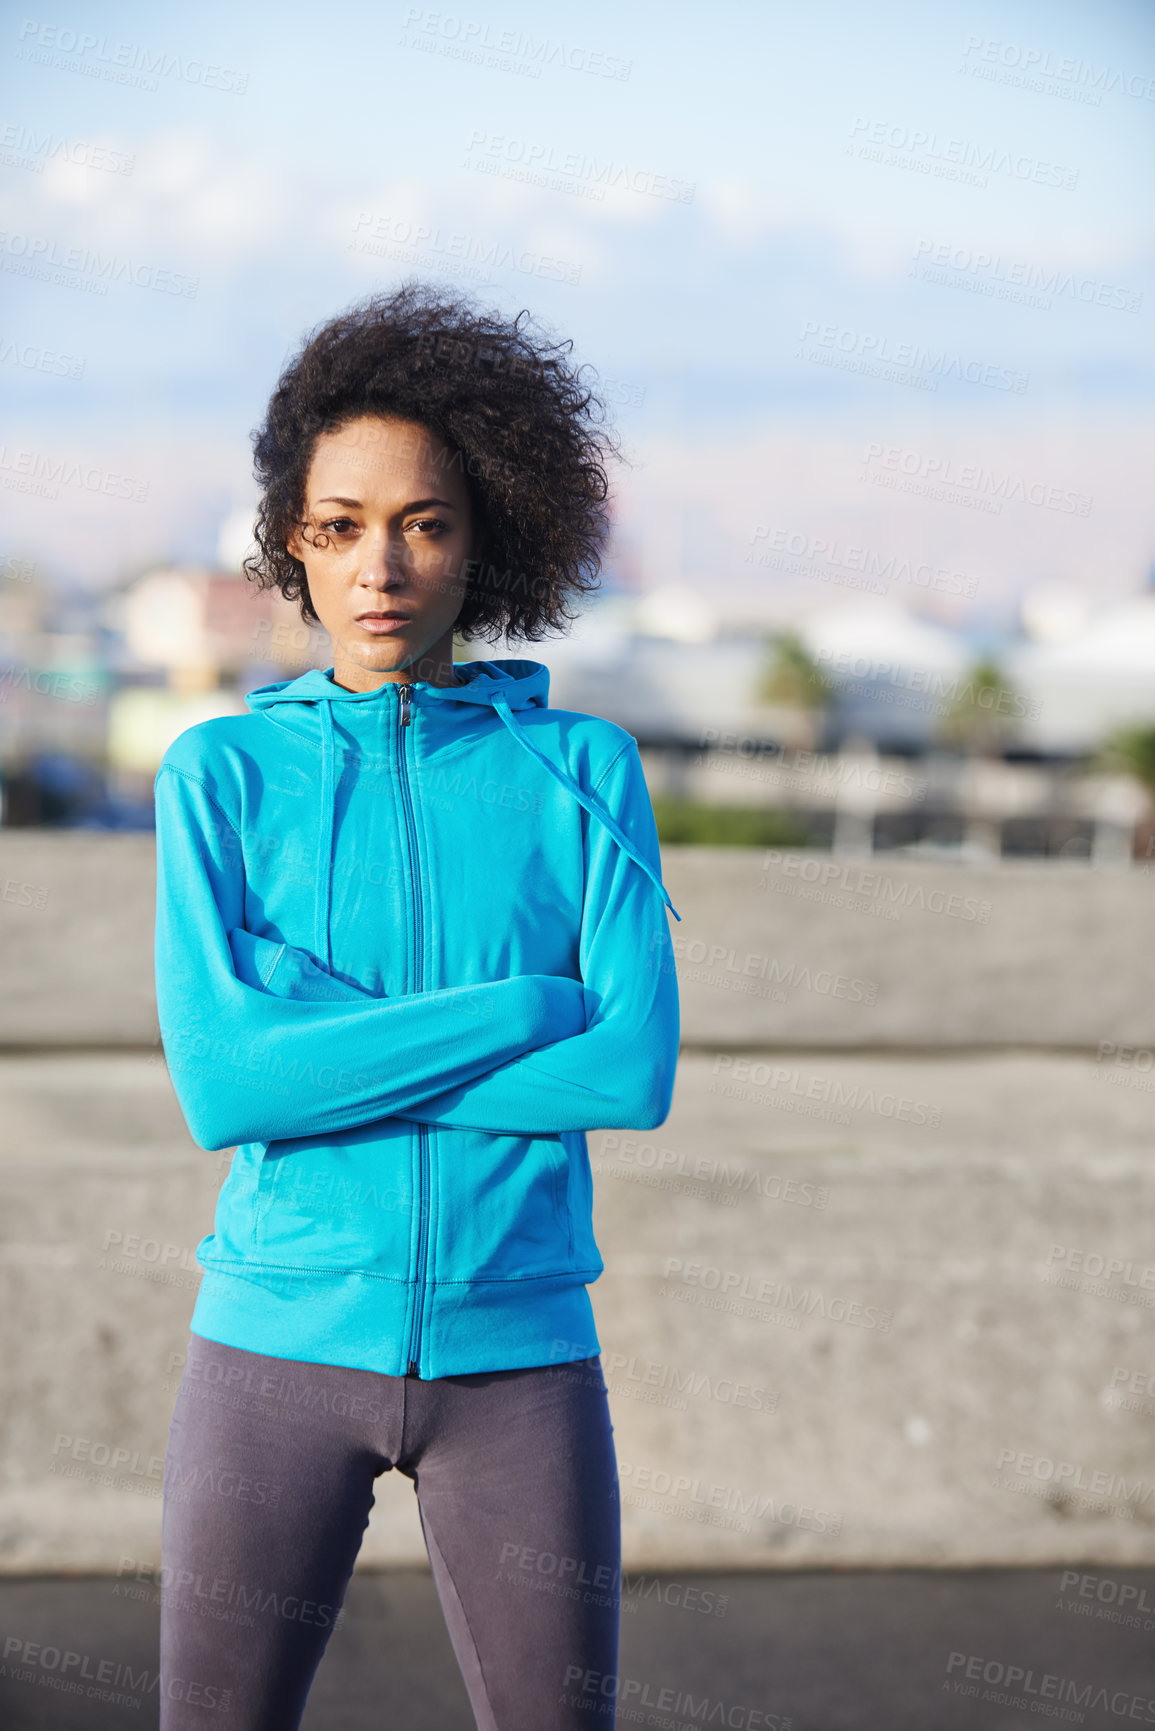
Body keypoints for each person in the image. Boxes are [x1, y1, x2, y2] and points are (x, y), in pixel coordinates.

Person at [153, 283, 681, 1729]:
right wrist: (525, 1004)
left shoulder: (584, 772)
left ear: (486, 534)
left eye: (424, 521)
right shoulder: (221, 779)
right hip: (273, 1348)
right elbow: (231, 1090)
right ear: (292, 545)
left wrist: (325, 1043)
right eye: (337, 526)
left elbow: (630, 1070)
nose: (379, 564)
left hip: (520, 1358)